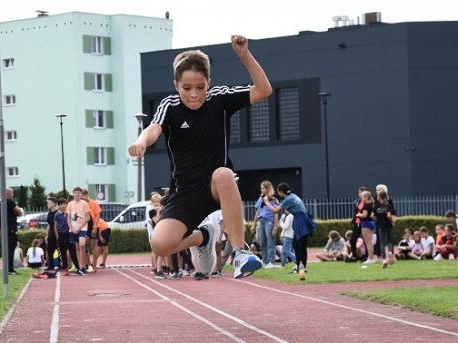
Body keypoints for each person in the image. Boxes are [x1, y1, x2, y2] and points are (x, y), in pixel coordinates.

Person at [127, 35, 270, 279]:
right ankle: (204, 236)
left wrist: (244, 55)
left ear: (208, 83)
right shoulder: (170, 106)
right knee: (160, 244)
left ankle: (239, 253)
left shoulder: (220, 99)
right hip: (185, 191)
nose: (194, 94)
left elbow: (264, 90)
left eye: (200, 87)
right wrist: (141, 142)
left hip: (217, 186)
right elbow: (154, 128)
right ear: (176, 85)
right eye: (187, 88)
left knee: (224, 173)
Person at [262, 182, 316, 280]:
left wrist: (266, 202)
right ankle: (302, 266)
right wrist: (278, 203)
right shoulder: (293, 196)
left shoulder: (288, 199)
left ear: (282, 192)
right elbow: (287, 208)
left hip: (300, 220)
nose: (278, 194)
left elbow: (275, 211)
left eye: (279, 192)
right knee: (301, 245)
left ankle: (300, 266)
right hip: (304, 218)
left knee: (298, 245)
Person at [251, 180, 279, 268]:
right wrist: (254, 224)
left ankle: (271, 262)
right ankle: (264, 261)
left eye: (262, 188)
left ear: (267, 189)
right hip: (261, 221)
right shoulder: (261, 198)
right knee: (262, 242)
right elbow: (258, 211)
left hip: (269, 221)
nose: (261, 190)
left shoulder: (273, 199)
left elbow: (276, 213)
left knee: (270, 242)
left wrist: (275, 226)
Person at [0, 186, 23, 274]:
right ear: (8, 194)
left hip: (3, 229)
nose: (13, 195)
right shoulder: (9, 202)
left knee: (6, 249)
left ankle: (7, 268)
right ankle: (10, 269)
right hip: (11, 229)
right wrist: (16, 212)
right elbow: (19, 212)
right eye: (12, 193)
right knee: (11, 249)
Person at [67, 188, 90, 275]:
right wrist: (71, 228)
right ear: (73, 194)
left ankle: (83, 266)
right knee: (76, 247)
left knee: (82, 245)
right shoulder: (70, 204)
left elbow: (88, 217)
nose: (77, 194)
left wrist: (80, 227)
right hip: (73, 228)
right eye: (75, 193)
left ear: (81, 194)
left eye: (79, 193)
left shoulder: (84, 203)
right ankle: (79, 267)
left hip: (82, 228)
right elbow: (68, 217)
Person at [82, 188, 101, 272]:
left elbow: (97, 216)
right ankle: (88, 264)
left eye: (82, 196)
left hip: (93, 226)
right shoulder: (82, 204)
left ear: (86, 195)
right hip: (84, 227)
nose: (81, 199)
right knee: (84, 246)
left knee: (93, 247)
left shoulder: (94, 203)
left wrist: (95, 227)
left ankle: (94, 265)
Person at [45, 196, 59, 268]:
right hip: (51, 234)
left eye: (49, 203)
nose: (48, 204)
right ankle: (50, 265)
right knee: (49, 249)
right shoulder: (49, 213)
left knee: (60, 249)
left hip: (58, 234)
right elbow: (49, 225)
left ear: (54, 203)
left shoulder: (58, 212)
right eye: (47, 203)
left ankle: (61, 264)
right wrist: (47, 235)